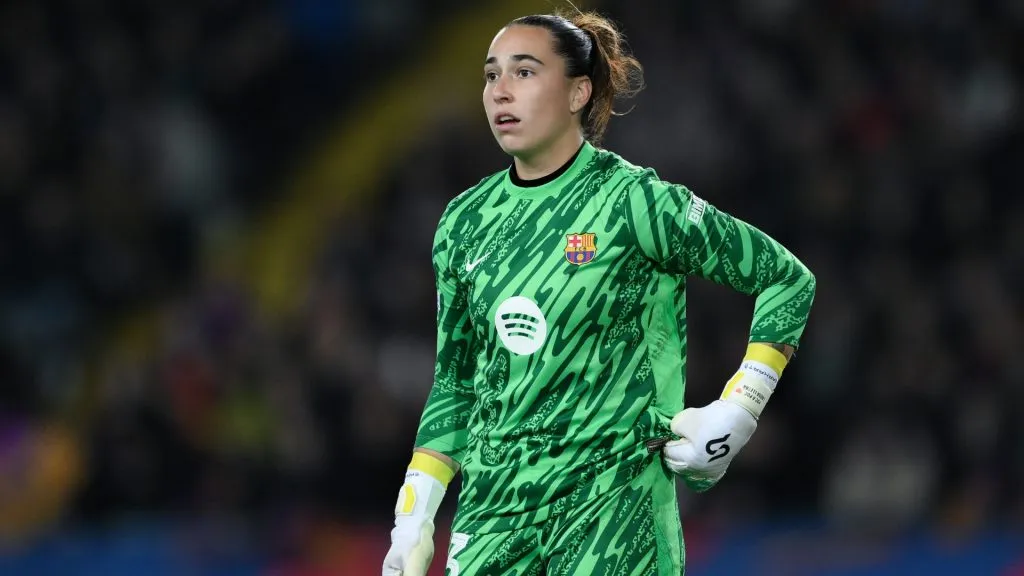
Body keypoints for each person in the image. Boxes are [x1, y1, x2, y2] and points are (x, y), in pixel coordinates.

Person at [383, 10, 816, 576]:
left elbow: (785, 278)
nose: (500, 91)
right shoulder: (464, 221)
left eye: (525, 72)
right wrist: (413, 518)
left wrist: (741, 408)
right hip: (493, 518)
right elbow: (456, 380)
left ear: (578, 92)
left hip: (612, 514)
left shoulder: (634, 202)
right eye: (491, 75)